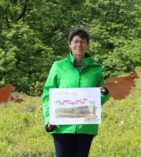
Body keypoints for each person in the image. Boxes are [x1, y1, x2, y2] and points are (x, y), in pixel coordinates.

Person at [42, 28, 110, 157]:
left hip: (86, 127)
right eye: (76, 41)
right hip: (62, 126)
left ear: (87, 45)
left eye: (83, 42)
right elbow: (47, 96)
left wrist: (104, 93)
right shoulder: (58, 66)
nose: (79, 45)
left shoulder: (96, 68)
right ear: (69, 44)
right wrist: (49, 119)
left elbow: (98, 97)